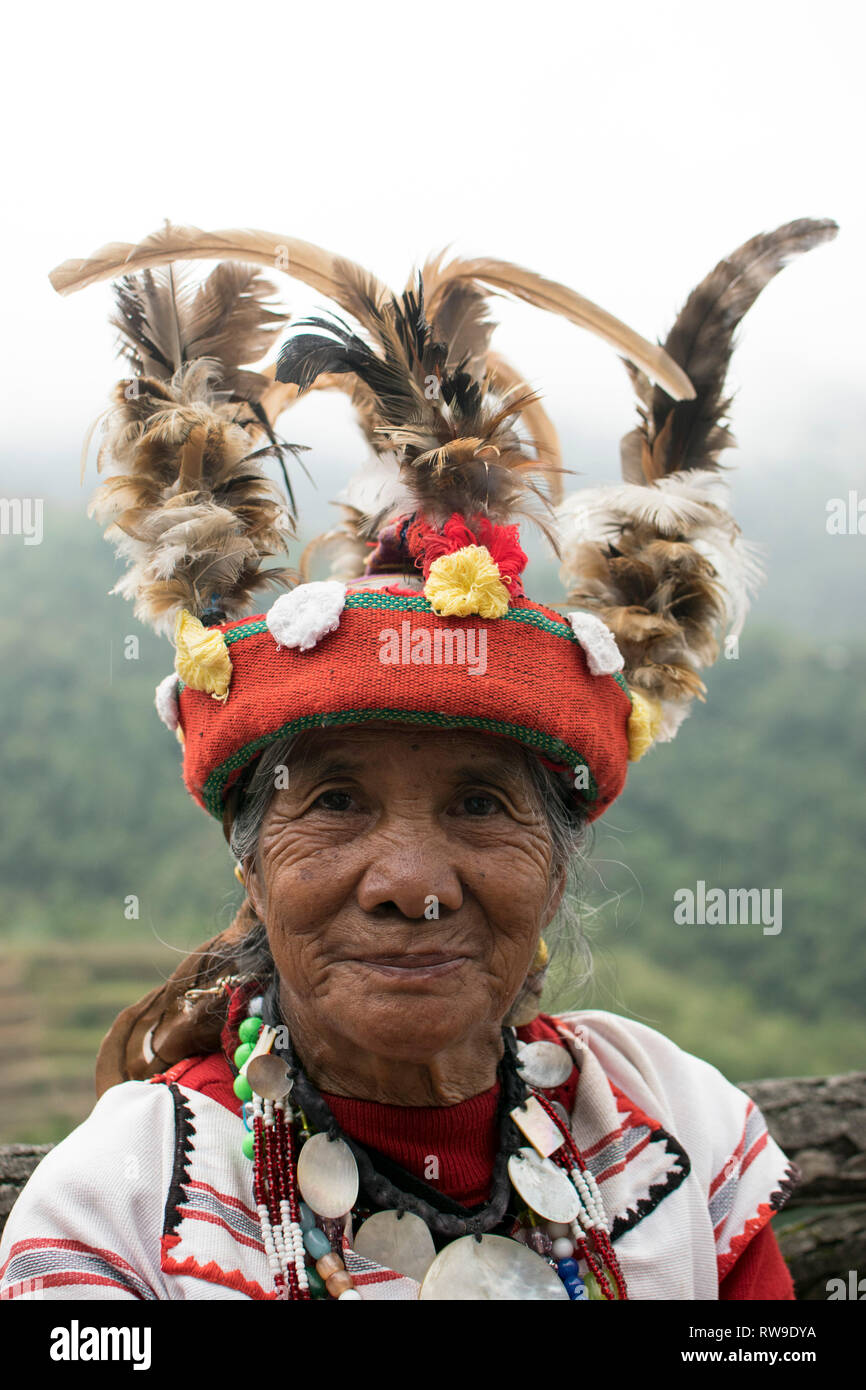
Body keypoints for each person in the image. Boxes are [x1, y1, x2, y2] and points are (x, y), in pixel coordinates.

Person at [0, 217, 836, 1301]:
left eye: (482, 804)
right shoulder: (118, 1208)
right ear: (250, 862)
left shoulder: (669, 1126)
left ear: (558, 860)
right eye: (336, 799)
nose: (410, 884)